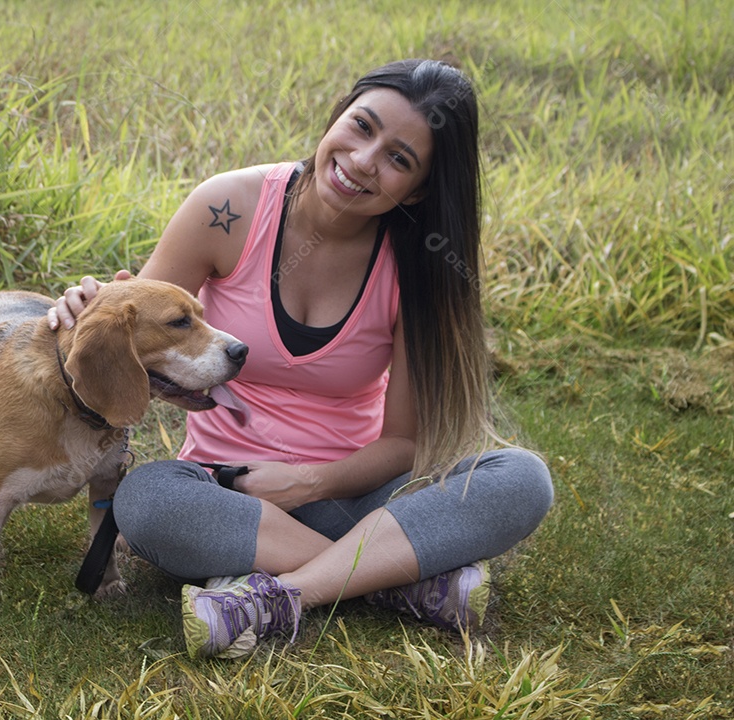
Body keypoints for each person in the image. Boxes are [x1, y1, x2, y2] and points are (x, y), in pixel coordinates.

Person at [49, 59, 554, 659]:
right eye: (362, 126)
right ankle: (399, 581)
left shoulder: (420, 262)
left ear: (417, 190)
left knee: (523, 479)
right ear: (338, 114)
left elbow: (404, 443)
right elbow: (138, 332)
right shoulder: (227, 208)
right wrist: (88, 307)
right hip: (224, 494)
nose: (363, 160)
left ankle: (280, 596)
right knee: (146, 500)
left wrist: (311, 481)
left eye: (398, 159)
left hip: (358, 499)